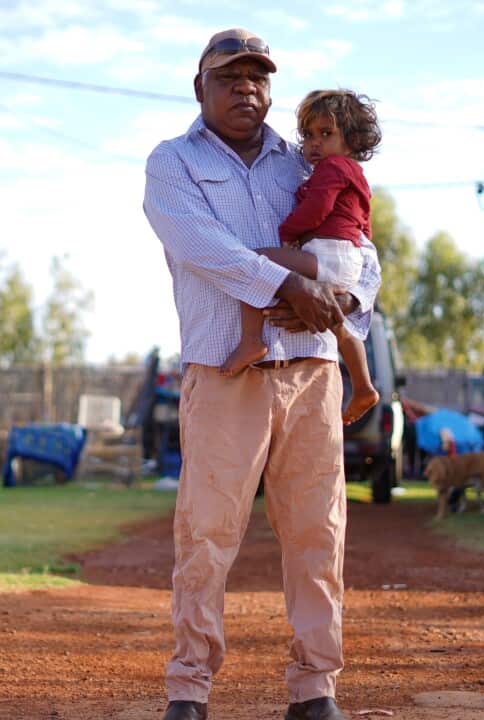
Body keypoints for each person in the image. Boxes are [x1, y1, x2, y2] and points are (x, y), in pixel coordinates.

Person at [143, 28, 381, 720]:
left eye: (257, 78)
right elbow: (200, 248)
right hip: (225, 372)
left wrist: (345, 300)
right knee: (207, 534)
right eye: (229, 78)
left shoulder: (303, 161)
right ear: (200, 88)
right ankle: (188, 687)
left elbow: (358, 248)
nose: (246, 89)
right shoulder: (173, 164)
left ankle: (315, 689)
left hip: (312, 373)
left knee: (317, 533)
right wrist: (290, 285)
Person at [218, 89, 382, 426]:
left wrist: (289, 232)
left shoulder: (333, 168)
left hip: (327, 254)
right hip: (345, 257)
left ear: (351, 139)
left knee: (255, 262)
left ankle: (251, 341)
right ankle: (364, 385)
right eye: (308, 135)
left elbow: (317, 208)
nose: (314, 144)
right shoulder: (355, 174)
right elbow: (364, 225)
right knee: (339, 327)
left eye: (326, 134)